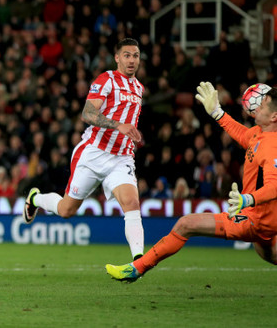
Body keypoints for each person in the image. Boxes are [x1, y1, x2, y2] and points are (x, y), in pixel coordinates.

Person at [106, 82, 277, 282]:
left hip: (257, 220)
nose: (257, 106)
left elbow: (274, 186)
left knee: (186, 224)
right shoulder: (258, 133)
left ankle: (136, 268)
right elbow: (242, 134)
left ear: (274, 116)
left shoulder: (272, 145)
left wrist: (247, 199)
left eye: (263, 105)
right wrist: (217, 112)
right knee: (269, 254)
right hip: (263, 219)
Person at [23, 38, 145, 260]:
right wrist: (118, 126)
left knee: (131, 203)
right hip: (94, 153)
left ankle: (139, 261)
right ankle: (35, 199)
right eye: (126, 55)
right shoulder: (106, 79)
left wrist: (132, 135)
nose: (131, 60)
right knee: (66, 210)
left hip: (121, 158)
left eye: (135, 56)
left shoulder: (139, 88)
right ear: (117, 58)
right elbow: (87, 114)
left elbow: (128, 121)